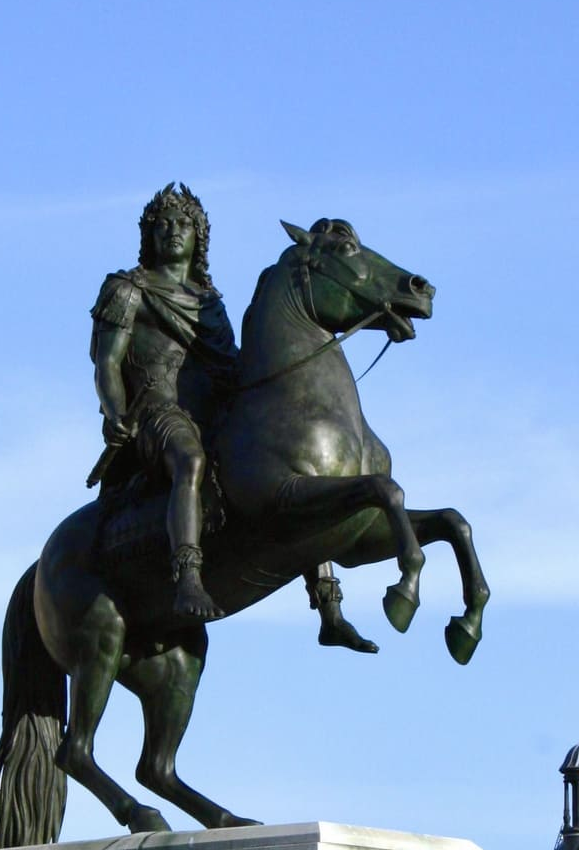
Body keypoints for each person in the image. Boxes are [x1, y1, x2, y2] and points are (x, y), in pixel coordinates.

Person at [89, 183, 376, 646]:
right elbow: (106, 363)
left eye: (183, 223)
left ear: (198, 235)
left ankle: (329, 607)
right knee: (191, 461)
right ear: (148, 234)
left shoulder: (211, 304)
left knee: (288, 466)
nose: (172, 231)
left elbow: (228, 361)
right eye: (161, 224)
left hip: (217, 408)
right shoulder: (127, 290)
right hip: (160, 410)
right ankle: (187, 575)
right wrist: (115, 411)